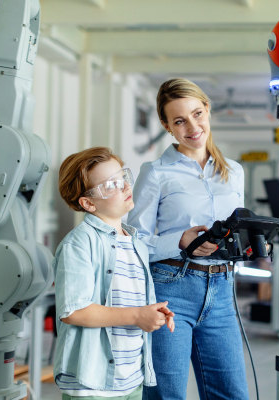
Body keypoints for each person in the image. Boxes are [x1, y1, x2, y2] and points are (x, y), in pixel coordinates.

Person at [127, 78, 249, 400]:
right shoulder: (155, 173)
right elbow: (134, 241)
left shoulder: (234, 172)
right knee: (167, 395)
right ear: (167, 126)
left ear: (207, 109)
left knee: (232, 394)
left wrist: (247, 242)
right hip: (171, 289)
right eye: (179, 120)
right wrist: (179, 241)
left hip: (222, 289)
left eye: (197, 114)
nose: (192, 127)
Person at [53, 147, 175, 400]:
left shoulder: (135, 242)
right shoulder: (79, 243)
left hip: (131, 377)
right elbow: (73, 311)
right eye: (111, 185)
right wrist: (137, 316)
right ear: (88, 203)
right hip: (93, 384)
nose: (124, 187)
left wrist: (152, 312)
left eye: (123, 178)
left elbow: (128, 301)